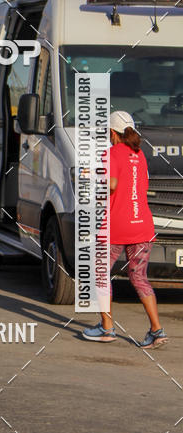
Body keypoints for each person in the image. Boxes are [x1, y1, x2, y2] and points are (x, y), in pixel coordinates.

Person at [83, 110, 167, 349]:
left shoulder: (110, 154)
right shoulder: (139, 155)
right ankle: (156, 330)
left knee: (100, 273)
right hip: (142, 225)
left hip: (115, 227)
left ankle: (106, 328)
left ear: (112, 132)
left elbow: (111, 185)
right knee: (139, 277)